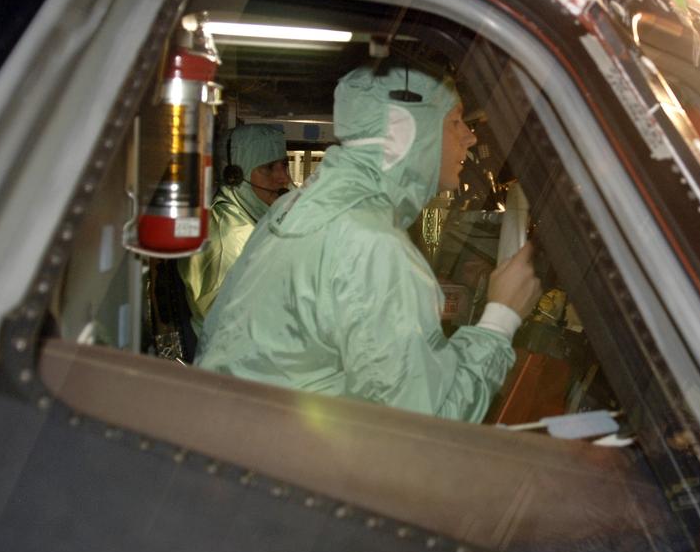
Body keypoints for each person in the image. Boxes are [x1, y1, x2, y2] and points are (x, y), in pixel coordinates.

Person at [195, 62, 543, 424]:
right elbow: (427, 425)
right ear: (405, 133)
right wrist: (502, 316)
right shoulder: (371, 242)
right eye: (455, 121)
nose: (470, 137)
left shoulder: (299, 205)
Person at [179, 123, 291, 329]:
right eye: (268, 168)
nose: (283, 177)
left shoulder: (253, 220)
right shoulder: (231, 239)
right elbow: (235, 330)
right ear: (236, 176)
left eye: (284, 165)